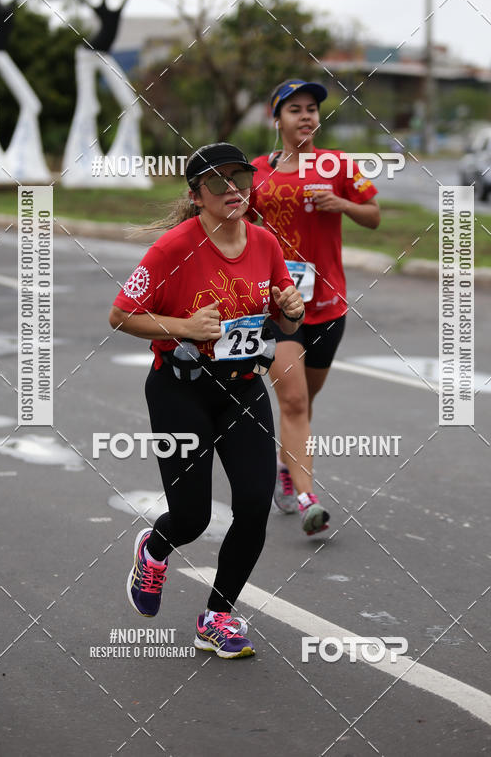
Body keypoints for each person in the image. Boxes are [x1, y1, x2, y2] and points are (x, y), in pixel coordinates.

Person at [109, 142, 304, 659]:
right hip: (180, 391)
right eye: (218, 183)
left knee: (255, 505)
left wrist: (291, 310)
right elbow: (121, 314)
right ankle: (154, 550)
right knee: (192, 518)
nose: (234, 190)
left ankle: (216, 617)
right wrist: (182, 328)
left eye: (241, 177)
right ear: (197, 196)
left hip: (242, 388)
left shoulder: (266, 243)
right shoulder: (172, 249)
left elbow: (284, 321)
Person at [248, 80, 380, 535]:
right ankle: (308, 499)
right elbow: (235, 227)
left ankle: (288, 466)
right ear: (277, 118)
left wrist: (341, 202)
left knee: (304, 402)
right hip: (278, 307)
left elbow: (374, 215)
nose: (305, 117)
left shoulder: (337, 164)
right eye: (295, 110)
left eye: (311, 110)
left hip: (328, 304)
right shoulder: (256, 173)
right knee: (296, 400)